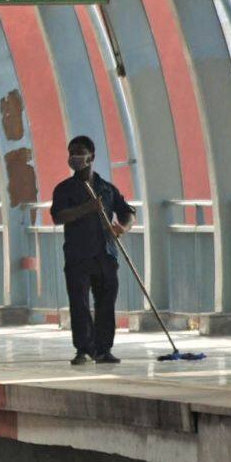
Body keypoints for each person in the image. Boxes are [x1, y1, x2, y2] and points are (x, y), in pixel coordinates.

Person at [48, 135, 135, 365]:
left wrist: (122, 227)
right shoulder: (64, 189)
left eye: (80, 152)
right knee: (80, 303)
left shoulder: (106, 189)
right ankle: (83, 349)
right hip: (78, 255)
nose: (75, 157)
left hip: (105, 254)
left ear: (91, 156)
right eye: (71, 153)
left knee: (106, 303)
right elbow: (58, 216)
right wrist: (88, 207)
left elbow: (127, 211)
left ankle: (103, 349)